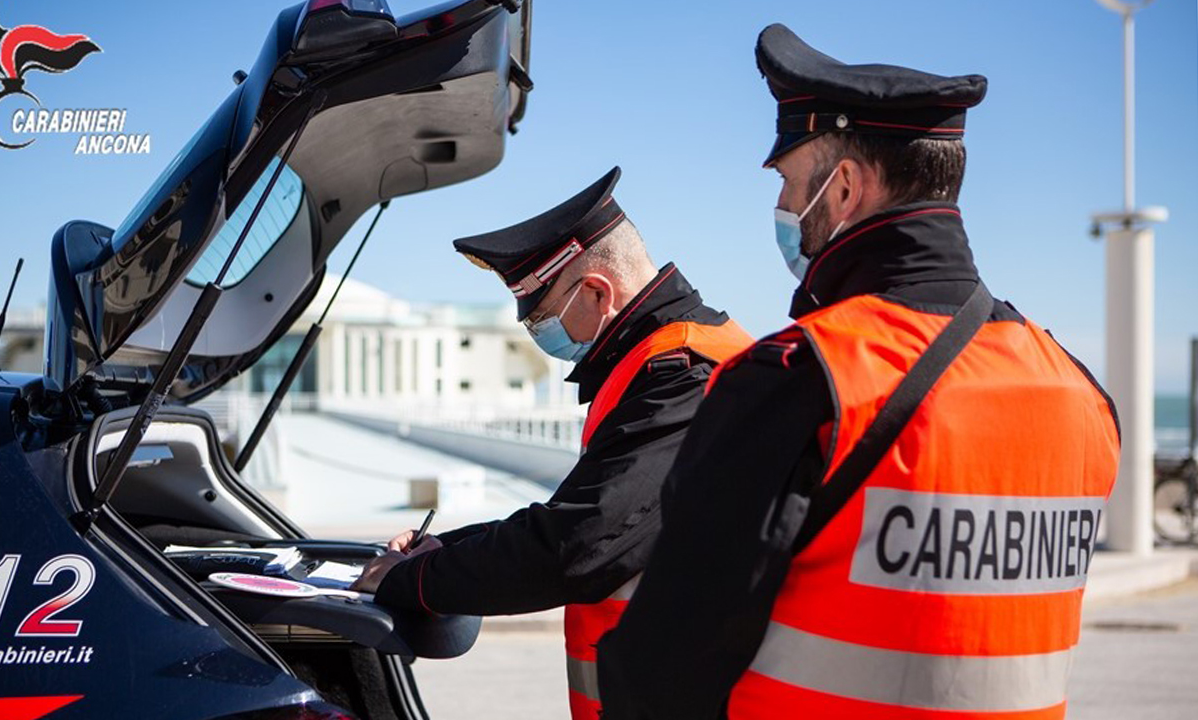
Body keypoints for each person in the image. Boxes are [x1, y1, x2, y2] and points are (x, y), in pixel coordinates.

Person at [597, 24, 1121, 720]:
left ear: (844, 187)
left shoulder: (800, 378)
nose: (781, 208)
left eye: (787, 181)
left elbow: (660, 669)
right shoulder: (1079, 392)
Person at [351, 167, 752, 720]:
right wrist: (447, 548)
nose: (540, 336)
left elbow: (579, 542)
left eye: (541, 318)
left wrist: (413, 580)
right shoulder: (659, 363)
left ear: (595, 291)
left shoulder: (686, 376)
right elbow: (584, 512)